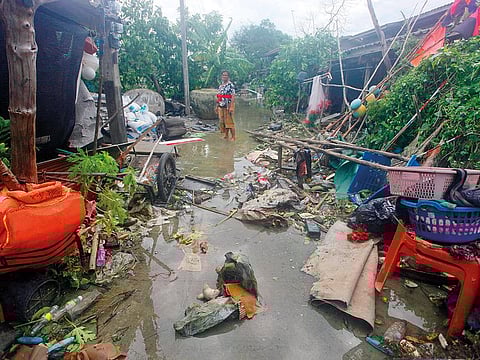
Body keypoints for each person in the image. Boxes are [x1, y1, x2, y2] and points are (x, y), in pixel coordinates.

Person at [215, 70, 236, 140]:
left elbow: (233, 96)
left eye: (226, 75)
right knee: (223, 122)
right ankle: (226, 135)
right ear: (221, 76)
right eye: (223, 75)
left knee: (229, 122)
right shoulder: (221, 86)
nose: (224, 76)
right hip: (221, 105)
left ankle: (233, 137)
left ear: (228, 77)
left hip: (228, 105)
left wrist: (232, 106)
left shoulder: (230, 85)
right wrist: (217, 106)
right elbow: (219, 96)